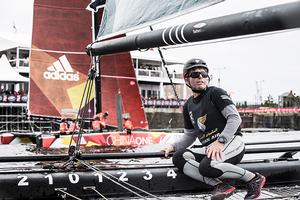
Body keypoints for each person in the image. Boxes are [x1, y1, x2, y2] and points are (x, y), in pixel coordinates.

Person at [162, 58, 265, 200]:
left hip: (230, 142)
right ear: (186, 79)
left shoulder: (215, 93)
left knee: (207, 167)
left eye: (203, 74)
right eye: (195, 74)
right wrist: (173, 146)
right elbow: (190, 136)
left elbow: (235, 118)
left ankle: (253, 179)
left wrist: (220, 141)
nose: (200, 77)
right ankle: (220, 185)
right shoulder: (188, 106)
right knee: (179, 157)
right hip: (210, 148)